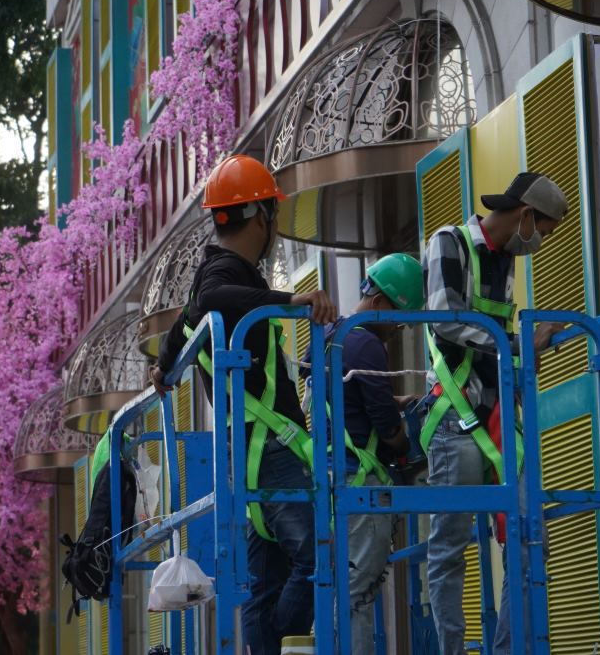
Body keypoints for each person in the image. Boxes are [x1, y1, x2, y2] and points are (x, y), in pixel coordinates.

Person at [150, 154, 337, 655]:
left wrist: (165, 368)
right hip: (268, 447)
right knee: (322, 558)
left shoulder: (217, 274)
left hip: (252, 447)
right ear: (261, 217)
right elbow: (211, 303)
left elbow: (184, 325)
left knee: (267, 581)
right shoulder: (225, 276)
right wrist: (290, 301)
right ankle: (283, 639)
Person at [421, 171, 568, 655]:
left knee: (528, 536)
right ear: (526, 215)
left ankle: (508, 649)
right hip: (455, 415)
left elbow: (491, 340)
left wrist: (524, 348)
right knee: (449, 547)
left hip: (500, 414)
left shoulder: (504, 261)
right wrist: (517, 342)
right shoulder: (450, 242)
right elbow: (444, 319)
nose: (539, 244)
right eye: (542, 232)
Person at [324, 253, 423, 655]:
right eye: (399, 320)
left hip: (334, 474)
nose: (397, 331)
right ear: (382, 301)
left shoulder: (333, 335)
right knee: (357, 595)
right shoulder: (366, 342)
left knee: (340, 590)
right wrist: (404, 444)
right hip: (360, 482)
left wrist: (392, 399)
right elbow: (386, 428)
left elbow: (348, 401)